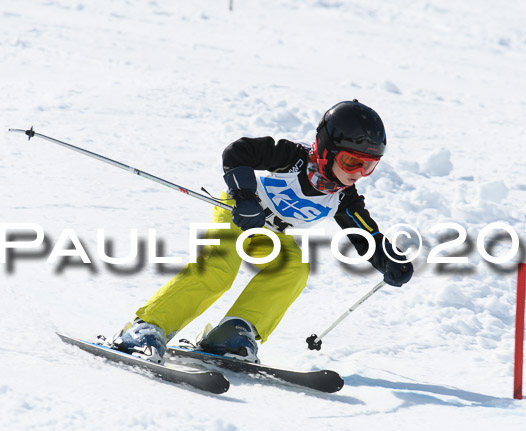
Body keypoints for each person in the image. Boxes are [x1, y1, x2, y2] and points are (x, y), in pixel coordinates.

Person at [113, 99, 414, 364]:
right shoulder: (291, 158)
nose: (357, 173)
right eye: (351, 161)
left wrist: (389, 260)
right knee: (218, 269)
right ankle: (146, 328)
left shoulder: (343, 197)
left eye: (369, 167)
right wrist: (244, 197)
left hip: (271, 234)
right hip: (238, 215)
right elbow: (238, 152)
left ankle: (233, 332)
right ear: (326, 150)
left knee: (294, 268)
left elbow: (366, 235)